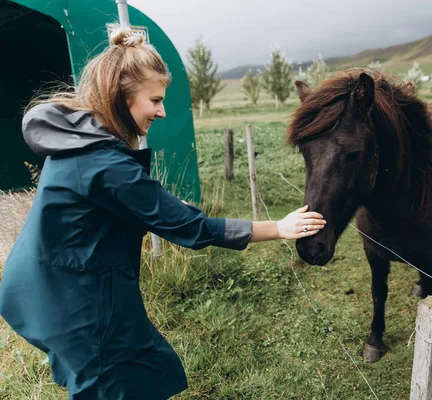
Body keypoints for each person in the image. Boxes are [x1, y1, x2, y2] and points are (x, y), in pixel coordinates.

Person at [0, 26, 325, 399]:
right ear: (121, 96)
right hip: (73, 297)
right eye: (154, 99)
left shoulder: (79, 138)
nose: (162, 110)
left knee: (140, 368)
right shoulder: (104, 161)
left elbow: (105, 205)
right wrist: (279, 228)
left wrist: (156, 209)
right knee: (111, 380)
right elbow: (189, 227)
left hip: (49, 281)